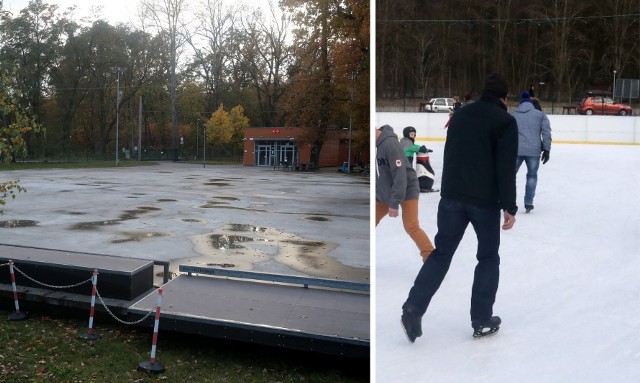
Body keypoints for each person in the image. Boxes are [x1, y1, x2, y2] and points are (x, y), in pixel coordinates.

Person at [400, 73, 519, 343]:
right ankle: (481, 320)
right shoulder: (505, 122)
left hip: (452, 198)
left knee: (441, 254)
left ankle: (413, 306)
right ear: (504, 97)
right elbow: (505, 167)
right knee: (488, 258)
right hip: (484, 202)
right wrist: (509, 206)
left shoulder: (461, 115)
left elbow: (451, 152)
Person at [376, 125, 434, 262]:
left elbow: (400, 175)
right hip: (389, 192)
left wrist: (394, 202)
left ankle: (430, 257)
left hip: (407, 189)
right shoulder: (378, 145)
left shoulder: (390, 144)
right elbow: (382, 175)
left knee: (411, 226)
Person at [512, 91, 552, 213]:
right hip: (534, 150)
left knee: (510, 176)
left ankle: (509, 201)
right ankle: (528, 202)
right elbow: (546, 132)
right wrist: (546, 149)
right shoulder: (540, 115)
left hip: (516, 150)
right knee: (532, 176)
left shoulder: (513, 115)